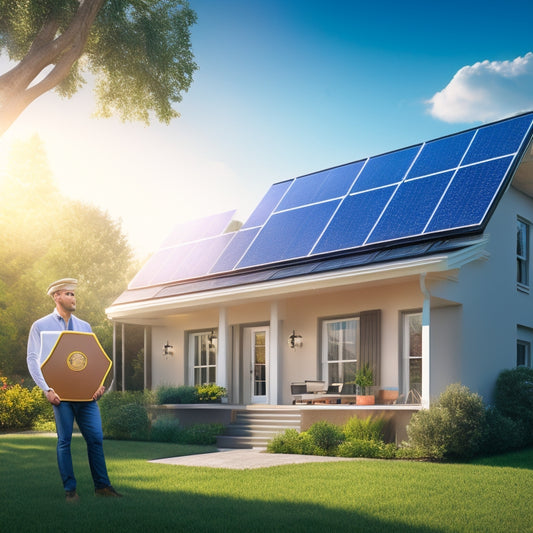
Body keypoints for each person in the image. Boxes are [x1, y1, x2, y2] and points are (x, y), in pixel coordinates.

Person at [27, 278, 122, 501]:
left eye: (74, 294)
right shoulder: (40, 326)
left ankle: (102, 487)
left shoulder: (84, 326)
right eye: (68, 294)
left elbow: (92, 360)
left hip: (87, 397)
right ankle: (71, 491)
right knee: (64, 441)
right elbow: (33, 359)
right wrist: (46, 389)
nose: (73, 298)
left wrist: (98, 385)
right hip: (60, 396)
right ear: (56, 296)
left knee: (96, 438)